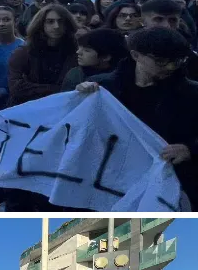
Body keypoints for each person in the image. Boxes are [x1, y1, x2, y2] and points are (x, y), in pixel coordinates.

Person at [76, 29, 198, 208]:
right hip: (110, 181)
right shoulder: (104, 88)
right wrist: (81, 99)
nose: (171, 67)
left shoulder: (192, 94)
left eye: (178, 61)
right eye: (161, 61)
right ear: (136, 55)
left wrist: (190, 150)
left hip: (171, 184)